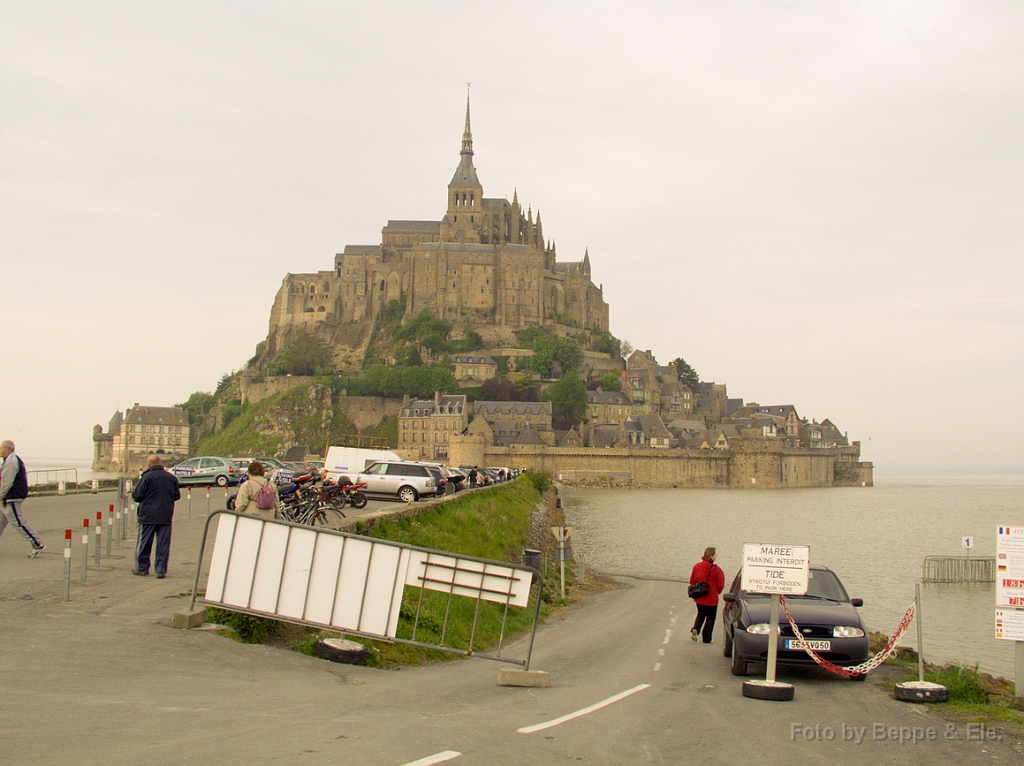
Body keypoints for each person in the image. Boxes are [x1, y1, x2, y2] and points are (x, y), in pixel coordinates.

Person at [131, 454, 180, 578]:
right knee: (163, 544)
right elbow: (176, 496)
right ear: (160, 463)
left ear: (149, 464)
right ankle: (161, 569)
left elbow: (137, 496)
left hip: (148, 515)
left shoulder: (146, 477)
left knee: (144, 542)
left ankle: (142, 568)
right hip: (165, 514)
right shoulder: (171, 478)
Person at [0, 440, 45, 557]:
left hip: (12, 497)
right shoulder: (11, 460)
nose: (0, 450)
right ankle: (37, 544)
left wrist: (0, 496)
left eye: (1, 448)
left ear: (7, 449)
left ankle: (37, 544)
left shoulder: (11, 462)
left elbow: (6, 483)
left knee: (18, 522)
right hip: (8, 497)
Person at [689, 546, 725, 644]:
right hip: (712, 598)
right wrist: (716, 591)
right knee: (710, 618)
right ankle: (707, 638)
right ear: (712, 556)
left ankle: (696, 628)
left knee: (700, 614)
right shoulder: (717, 570)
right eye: (715, 554)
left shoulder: (697, 566)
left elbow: (692, 581)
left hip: (700, 597)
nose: (716, 556)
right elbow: (720, 585)